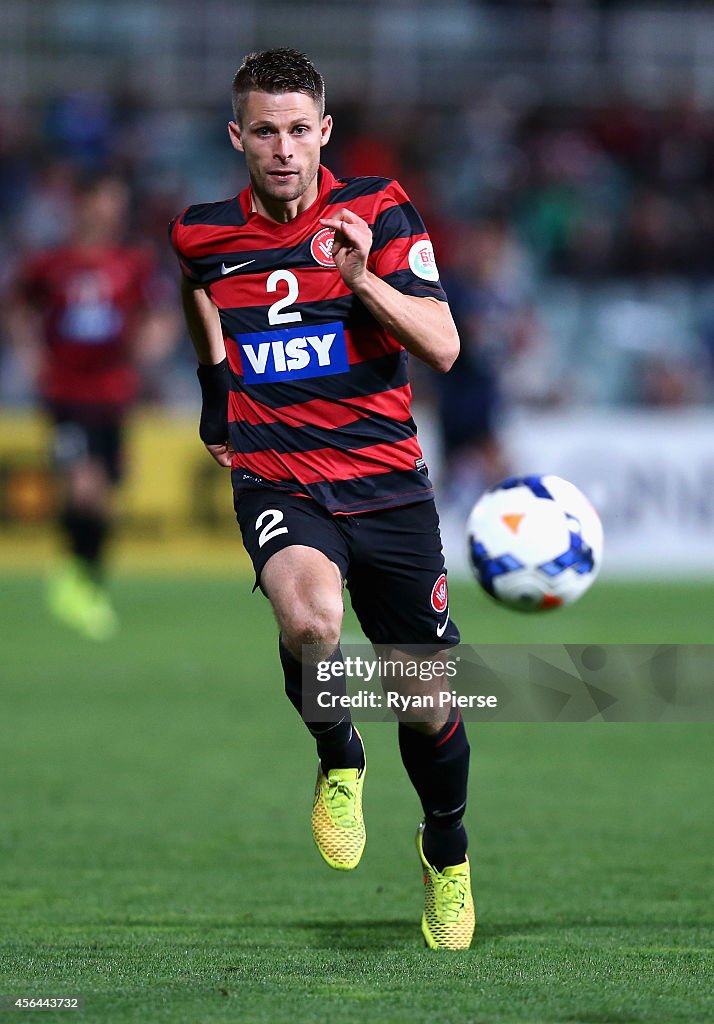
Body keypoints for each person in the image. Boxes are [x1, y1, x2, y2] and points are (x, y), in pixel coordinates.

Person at [170, 48, 475, 950]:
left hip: (386, 487)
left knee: (426, 698)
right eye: (264, 130)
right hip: (279, 477)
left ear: (324, 133)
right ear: (238, 136)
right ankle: (339, 754)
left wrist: (362, 280)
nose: (283, 148)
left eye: (299, 130)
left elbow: (446, 346)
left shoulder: (378, 209)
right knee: (310, 622)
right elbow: (198, 288)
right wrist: (214, 383)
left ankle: (447, 855)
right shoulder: (200, 231)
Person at [6, 171, 174, 640]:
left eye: (115, 202)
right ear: (81, 204)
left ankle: (85, 581)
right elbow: (18, 305)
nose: (110, 210)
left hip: (115, 394)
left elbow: (161, 310)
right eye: (102, 199)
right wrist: (29, 351)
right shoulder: (51, 262)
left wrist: (152, 344)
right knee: (85, 487)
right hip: (65, 393)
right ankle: (74, 581)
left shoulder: (132, 262)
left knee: (104, 498)